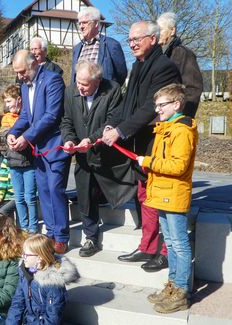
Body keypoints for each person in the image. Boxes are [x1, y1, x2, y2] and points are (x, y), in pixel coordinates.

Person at [102, 20, 181, 271]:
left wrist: (121, 131)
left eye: (137, 38)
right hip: (141, 144)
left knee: (160, 197)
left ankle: (166, 252)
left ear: (153, 39)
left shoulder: (165, 67)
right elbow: (128, 105)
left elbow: (150, 108)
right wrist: (111, 124)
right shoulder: (137, 66)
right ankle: (147, 246)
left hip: (158, 144)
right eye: (130, 40)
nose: (132, 43)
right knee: (144, 195)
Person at [136, 83, 197, 313]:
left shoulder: (181, 131)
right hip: (162, 194)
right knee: (170, 243)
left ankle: (181, 292)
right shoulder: (166, 128)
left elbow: (178, 166)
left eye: (161, 105)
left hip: (174, 195)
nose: (157, 109)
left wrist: (148, 162)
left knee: (179, 244)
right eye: (157, 105)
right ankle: (172, 286)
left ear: (176, 104)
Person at [8, 50, 71, 254]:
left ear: (34, 63)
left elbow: (51, 115)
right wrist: (14, 132)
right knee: (43, 192)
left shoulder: (53, 80)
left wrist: (26, 137)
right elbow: (26, 115)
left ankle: (61, 237)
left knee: (55, 190)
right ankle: (50, 233)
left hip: (55, 146)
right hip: (39, 151)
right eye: (17, 72)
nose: (20, 76)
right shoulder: (25, 87)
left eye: (22, 71)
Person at [61, 60, 122, 257]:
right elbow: (67, 121)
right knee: (85, 194)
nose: (80, 87)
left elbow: (113, 119)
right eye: (78, 82)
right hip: (83, 156)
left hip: (107, 154)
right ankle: (91, 237)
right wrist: (69, 140)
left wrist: (92, 138)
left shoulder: (112, 89)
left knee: (114, 189)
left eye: (85, 84)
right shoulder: (70, 92)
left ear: (97, 81)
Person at [6, 234, 79, 324]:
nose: (23, 258)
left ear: (39, 257)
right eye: (23, 254)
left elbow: (52, 319)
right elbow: (17, 303)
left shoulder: (53, 283)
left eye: (26, 255)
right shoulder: (25, 273)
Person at [1, 85, 38, 234]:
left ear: (19, 100)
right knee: (19, 197)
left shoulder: (28, 114)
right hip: (13, 163)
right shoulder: (6, 118)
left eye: (9, 101)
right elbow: (6, 134)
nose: (7, 105)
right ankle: (23, 226)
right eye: (6, 102)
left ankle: (33, 227)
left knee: (30, 197)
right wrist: (11, 139)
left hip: (28, 163)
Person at [157, 12, 203, 118]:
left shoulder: (183, 54)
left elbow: (193, 89)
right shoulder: (158, 56)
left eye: (160, 30)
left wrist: (182, 117)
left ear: (172, 30)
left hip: (175, 119)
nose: (157, 34)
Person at [71, 6, 127, 86]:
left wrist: (110, 93)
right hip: (80, 96)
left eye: (85, 22)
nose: (81, 27)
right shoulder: (77, 48)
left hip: (103, 95)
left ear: (96, 23)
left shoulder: (111, 45)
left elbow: (121, 74)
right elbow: (74, 76)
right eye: (79, 23)